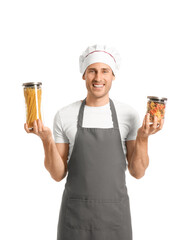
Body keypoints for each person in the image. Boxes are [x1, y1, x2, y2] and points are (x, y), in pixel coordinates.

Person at [24, 44, 164, 240]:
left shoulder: (128, 115)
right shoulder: (65, 115)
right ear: (83, 74)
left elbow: (138, 172)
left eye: (104, 71)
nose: (98, 78)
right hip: (76, 218)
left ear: (113, 75)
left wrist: (143, 137)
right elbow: (57, 174)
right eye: (92, 71)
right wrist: (46, 140)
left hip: (115, 219)